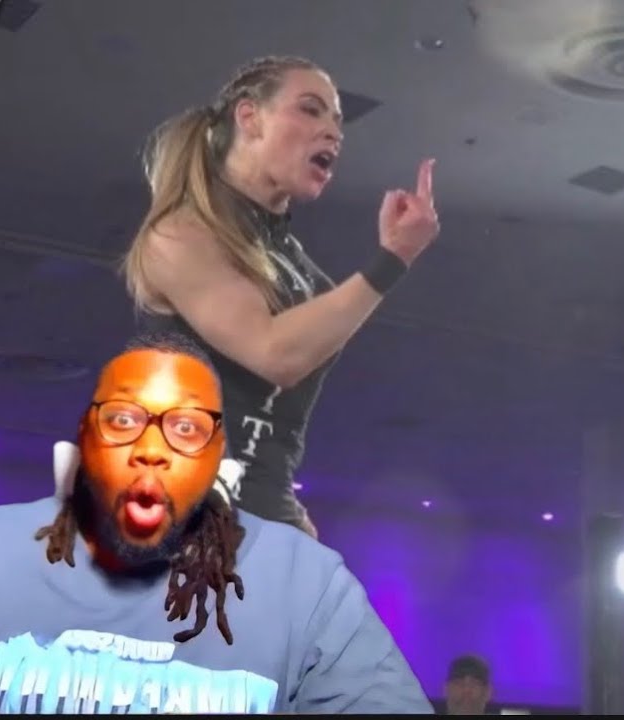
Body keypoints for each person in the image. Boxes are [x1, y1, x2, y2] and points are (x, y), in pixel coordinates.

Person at [0, 332, 433, 714]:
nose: (151, 449)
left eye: (187, 427)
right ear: (85, 436)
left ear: (217, 454)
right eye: (123, 419)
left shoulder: (307, 585)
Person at [120, 55, 441, 538]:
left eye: (338, 121)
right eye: (310, 110)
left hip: (263, 517)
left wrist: (292, 520)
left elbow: (278, 423)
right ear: (249, 117)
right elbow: (274, 353)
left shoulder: (299, 268)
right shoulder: (179, 234)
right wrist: (393, 258)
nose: (333, 132)